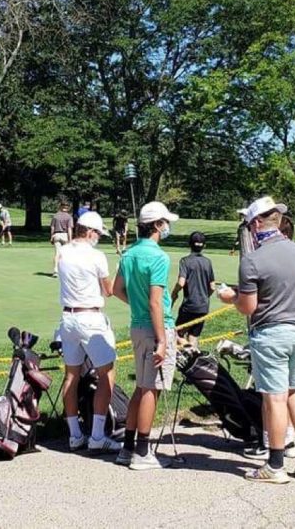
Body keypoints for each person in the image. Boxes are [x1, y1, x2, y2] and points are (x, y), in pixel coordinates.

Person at [218, 196, 295, 484]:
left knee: (274, 398)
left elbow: (247, 307)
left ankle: (274, 465)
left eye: (249, 224)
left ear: (257, 223)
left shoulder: (253, 260)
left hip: (272, 333)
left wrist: (230, 297)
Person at [112, 201, 180, 470]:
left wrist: (136, 305)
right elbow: (156, 301)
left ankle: (127, 448)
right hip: (156, 327)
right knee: (152, 388)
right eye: (164, 223)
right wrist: (163, 340)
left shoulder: (128, 254)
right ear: (156, 226)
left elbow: (116, 289)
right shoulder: (159, 257)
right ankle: (142, 451)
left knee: (141, 387)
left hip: (137, 326)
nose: (167, 227)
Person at [55, 211, 122, 453]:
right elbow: (109, 290)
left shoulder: (63, 252)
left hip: (68, 319)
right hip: (90, 317)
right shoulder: (96, 256)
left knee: (71, 376)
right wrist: (120, 270)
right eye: (98, 234)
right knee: (107, 375)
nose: (99, 238)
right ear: (91, 232)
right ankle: (96, 436)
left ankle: (75, 435)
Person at [171, 232, 216, 349]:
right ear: (204, 246)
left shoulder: (185, 261)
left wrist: (174, 293)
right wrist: (205, 297)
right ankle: (194, 359)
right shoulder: (207, 262)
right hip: (203, 306)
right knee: (194, 335)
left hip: (189, 306)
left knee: (176, 334)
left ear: (189, 244)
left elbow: (181, 282)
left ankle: (188, 350)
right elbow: (212, 287)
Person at [49, 203, 74, 276]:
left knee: (57, 253)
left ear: (60, 207)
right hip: (65, 235)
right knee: (66, 254)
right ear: (67, 208)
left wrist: (51, 236)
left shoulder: (55, 216)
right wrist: (70, 239)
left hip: (56, 235)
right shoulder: (69, 217)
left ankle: (55, 270)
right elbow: (69, 229)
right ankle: (65, 270)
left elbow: (52, 227)